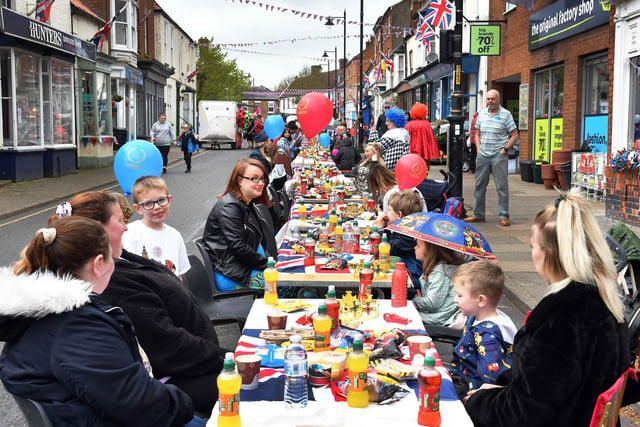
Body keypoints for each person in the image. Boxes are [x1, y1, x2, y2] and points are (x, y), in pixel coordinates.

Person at [0, 217, 198, 426]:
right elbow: (140, 405)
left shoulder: (43, 314)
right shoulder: (78, 327)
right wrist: (183, 401)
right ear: (98, 264)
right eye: (111, 257)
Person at [464, 190, 630, 426]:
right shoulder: (605, 301)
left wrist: (478, 401)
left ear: (549, 254)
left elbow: (525, 411)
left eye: (534, 246)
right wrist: (501, 386)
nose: (532, 254)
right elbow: (545, 380)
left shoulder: (561, 320)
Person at [62, 191, 224, 415]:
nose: (126, 227)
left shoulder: (120, 260)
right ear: (97, 231)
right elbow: (166, 346)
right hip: (180, 379)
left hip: (196, 365)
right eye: (119, 221)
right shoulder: (108, 280)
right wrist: (224, 357)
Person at [202, 158, 277, 291]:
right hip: (232, 274)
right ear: (240, 180)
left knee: (289, 278)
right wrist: (267, 264)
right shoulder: (230, 206)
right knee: (284, 285)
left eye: (262, 178)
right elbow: (238, 246)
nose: (260, 183)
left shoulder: (247, 203)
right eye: (254, 179)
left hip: (246, 268)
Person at [449, 260, 517, 394]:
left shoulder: (487, 335)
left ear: (481, 300)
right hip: (462, 376)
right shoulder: (478, 316)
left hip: (470, 388)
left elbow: (489, 376)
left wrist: (477, 397)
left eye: (460, 295)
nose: (455, 299)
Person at [465, 90, 518, 226]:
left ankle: (503, 215)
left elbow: (514, 135)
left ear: (498, 100)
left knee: (501, 187)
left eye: (492, 99)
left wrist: (505, 149)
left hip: (498, 155)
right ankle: (478, 214)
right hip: (483, 154)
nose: (490, 101)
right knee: (479, 185)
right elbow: (477, 133)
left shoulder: (506, 115)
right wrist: (478, 148)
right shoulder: (481, 114)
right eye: (488, 99)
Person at [123, 176, 190, 278]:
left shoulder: (175, 235)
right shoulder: (130, 233)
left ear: (169, 199)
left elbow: (179, 275)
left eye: (161, 200)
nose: (157, 207)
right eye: (148, 203)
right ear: (138, 208)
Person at [412, 238, 466, 327]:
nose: (415, 248)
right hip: (444, 313)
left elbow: (432, 303)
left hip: (441, 317)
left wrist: (415, 300)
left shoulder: (439, 272)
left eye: (418, 246)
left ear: (429, 251)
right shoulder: (443, 268)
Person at [386, 190, 424, 291]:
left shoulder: (408, 234)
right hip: (407, 270)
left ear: (399, 215)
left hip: (412, 277)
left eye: (389, 210)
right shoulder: (407, 227)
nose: (387, 213)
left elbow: (392, 249)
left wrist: (382, 230)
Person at [373, 107, 410, 171]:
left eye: (387, 121)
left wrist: (373, 134)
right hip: (401, 166)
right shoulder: (404, 132)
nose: (386, 123)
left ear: (393, 122)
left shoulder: (392, 134)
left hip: (388, 166)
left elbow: (376, 147)